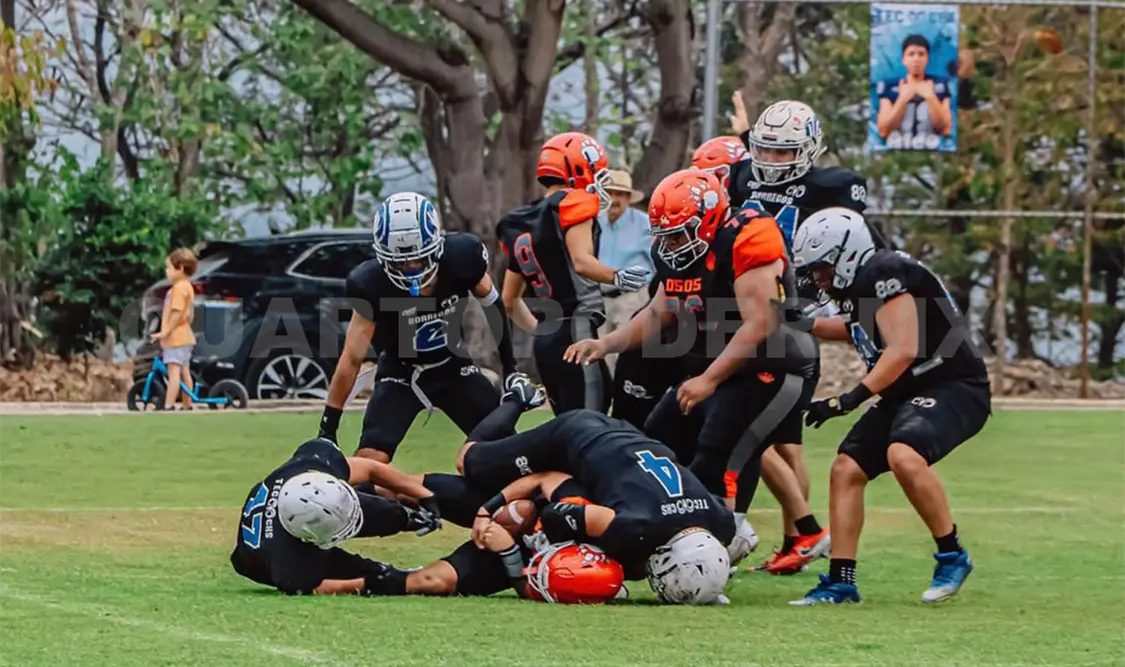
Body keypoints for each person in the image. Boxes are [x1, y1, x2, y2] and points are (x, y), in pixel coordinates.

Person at [564, 169, 827, 572]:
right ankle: (682, 540)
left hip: (773, 367)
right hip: (723, 370)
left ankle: (714, 557)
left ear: (708, 219)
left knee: (717, 455)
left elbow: (761, 324)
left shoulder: (748, 237)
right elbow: (659, 313)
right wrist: (606, 344)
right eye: (666, 236)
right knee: (656, 443)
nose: (671, 245)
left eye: (678, 235)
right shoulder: (679, 253)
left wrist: (708, 379)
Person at [787, 208, 990, 606]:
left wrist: (848, 399)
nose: (819, 279)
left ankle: (952, 555)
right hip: (908, 391)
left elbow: (902, 348)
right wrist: (802, 324)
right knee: (847, 468)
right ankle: (841, 582)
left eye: (823, 268)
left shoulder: (886, 271)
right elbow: (858, 330)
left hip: (955, 385)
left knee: (904, 454)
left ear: (846, 253)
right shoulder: (863, 284)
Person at [727, 97, 878, 573]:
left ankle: (793, 532)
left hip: (792, 316)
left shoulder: (833, 187)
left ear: (810, 150)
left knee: (750, 430)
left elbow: (857, 245)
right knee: (781, 441)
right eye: (764, 149)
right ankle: (798, 540)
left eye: (784, 151)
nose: (771, 160)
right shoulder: (741, 175)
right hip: (751, 310)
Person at [317, 192, 528, 464]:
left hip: (453, 366)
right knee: (370, 459)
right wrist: (328, 428)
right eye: (400, 262)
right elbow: (352, 358)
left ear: (436, 248)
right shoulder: (370, 283)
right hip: (400, 373)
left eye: (418, 260)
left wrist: (511, 369)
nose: (411, 270)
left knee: (508, 450)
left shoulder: (462, 257)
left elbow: (493, 305)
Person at [456, 403, 735, 605]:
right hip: (574, 437)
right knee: (469, 462)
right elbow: (557, 515)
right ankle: (517, 397)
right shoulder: (637, 524)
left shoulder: (722, 523)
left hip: (630, 440)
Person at [497, 132, 652, 415]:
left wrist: (544, 331)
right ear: (579, 169)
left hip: (546, 339)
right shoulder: (575, 202)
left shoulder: (519, 221)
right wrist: (618, 276)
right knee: (589, 423)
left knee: (571, 424)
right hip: (577, 330)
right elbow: (582, 262)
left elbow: (509, 301)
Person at [229, 436, 442, 595]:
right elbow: (318, 586)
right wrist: (375, 581)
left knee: (365, 506)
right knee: (372, 573)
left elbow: (369, 468)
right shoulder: (289, 565)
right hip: (265, 554)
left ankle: (406, 516)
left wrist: (424, 495)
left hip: (299, 517)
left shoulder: (312, 467)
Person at [595, 169, 654, 373]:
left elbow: (657, 261)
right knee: (598, 357)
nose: (614, 199)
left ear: (628, 198)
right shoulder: (593, 222)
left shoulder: (645, 224)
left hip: (632, 298)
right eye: (609, 193)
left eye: (620, 194)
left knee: (625, 355)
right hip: (599, 299)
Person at [875, 34, 954, 149]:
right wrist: (902, 99)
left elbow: (946, 130)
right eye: (911, 54)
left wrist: (931, 97)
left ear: (927, 59)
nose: (916, 59)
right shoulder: (890, 86)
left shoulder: (940, 84)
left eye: (921, 54)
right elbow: (883, 132)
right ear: (903, 59)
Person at [151, 248, 198, 411]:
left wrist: (165, 332)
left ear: (181, 268)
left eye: (169, 268)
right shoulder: (188, 287)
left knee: (174, 373)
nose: (167, 271)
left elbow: (176, 313)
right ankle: (187, 404)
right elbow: (189, 314)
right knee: (185, 372)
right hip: (186, 336)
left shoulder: (177, 289)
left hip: (176, 338)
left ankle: (169, 404)